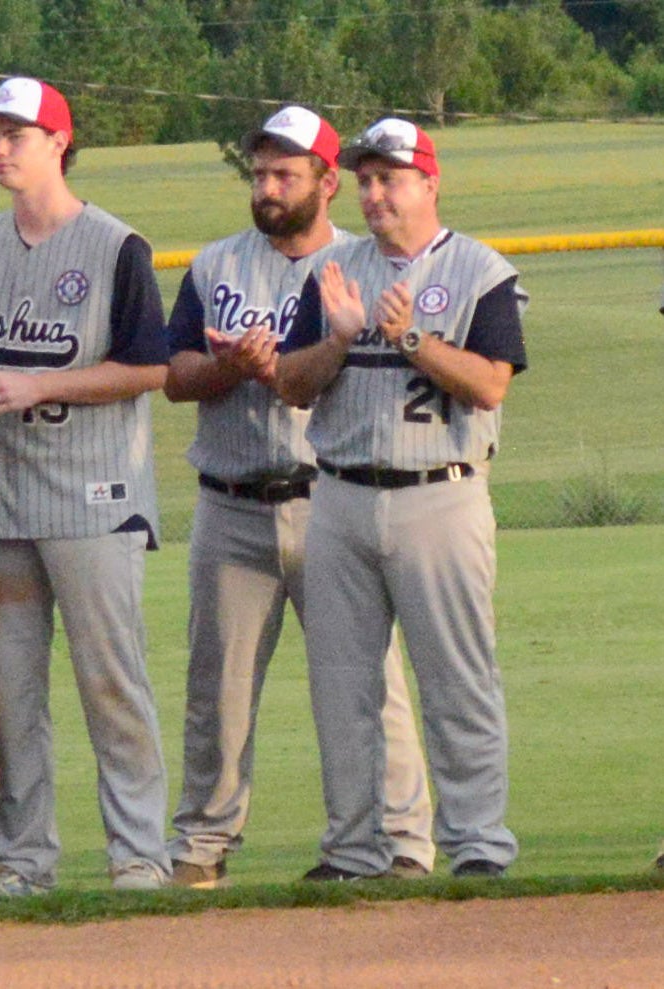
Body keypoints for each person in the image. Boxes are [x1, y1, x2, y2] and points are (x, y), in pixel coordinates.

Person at [160, 106, 435, 890]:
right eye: (260, 172)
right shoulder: (215, 266)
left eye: (286, 173)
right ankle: (202, 846)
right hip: (230, 498)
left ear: (327, 181)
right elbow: (175, 377)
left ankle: (402, 842)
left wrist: (287, 363)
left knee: (366, 680)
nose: (270, 186)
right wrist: (233, 368)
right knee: (217, 687)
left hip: (332, 497)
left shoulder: (366, 265)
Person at [274, 117, 526, 881]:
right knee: (342, 687)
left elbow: (489, 383)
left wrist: (412, 337)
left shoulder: (481, 270)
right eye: (366, 178)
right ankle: (353, 848)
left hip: (441, 495)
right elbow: (289, 382)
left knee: (457, 678)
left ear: (429, 182)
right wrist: (341, 339)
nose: (375, 192)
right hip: (343, 493)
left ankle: (479, 844)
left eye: (390, 177)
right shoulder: (333, 270)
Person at [0, 77, 173, 896]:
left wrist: (38, 385)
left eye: (19, 133)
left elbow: (150, 366)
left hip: (95, 495)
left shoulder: (117, 244)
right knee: (11, 694)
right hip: (7, 500)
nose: (2, 147)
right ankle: (20, 857)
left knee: (111, 682)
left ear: (59, 142)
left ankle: (139, 853)